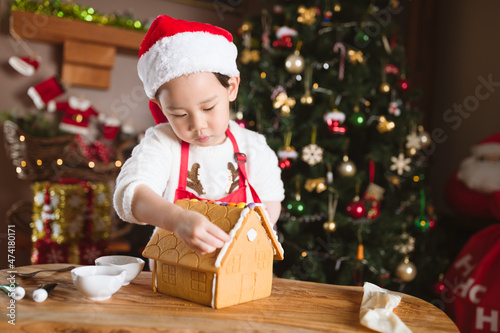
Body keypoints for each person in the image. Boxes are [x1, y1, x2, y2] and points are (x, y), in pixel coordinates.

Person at [113, 15, 285, 256]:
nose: (198, 125)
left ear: (232, 88)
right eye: (180, 114)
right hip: (174, 271)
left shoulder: (253, 146)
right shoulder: (163, 143)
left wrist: (247, 239)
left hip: (239, 263)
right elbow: (130, 196)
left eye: (208, 108)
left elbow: (270, 200)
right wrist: (177, 220)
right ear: (162, 108)